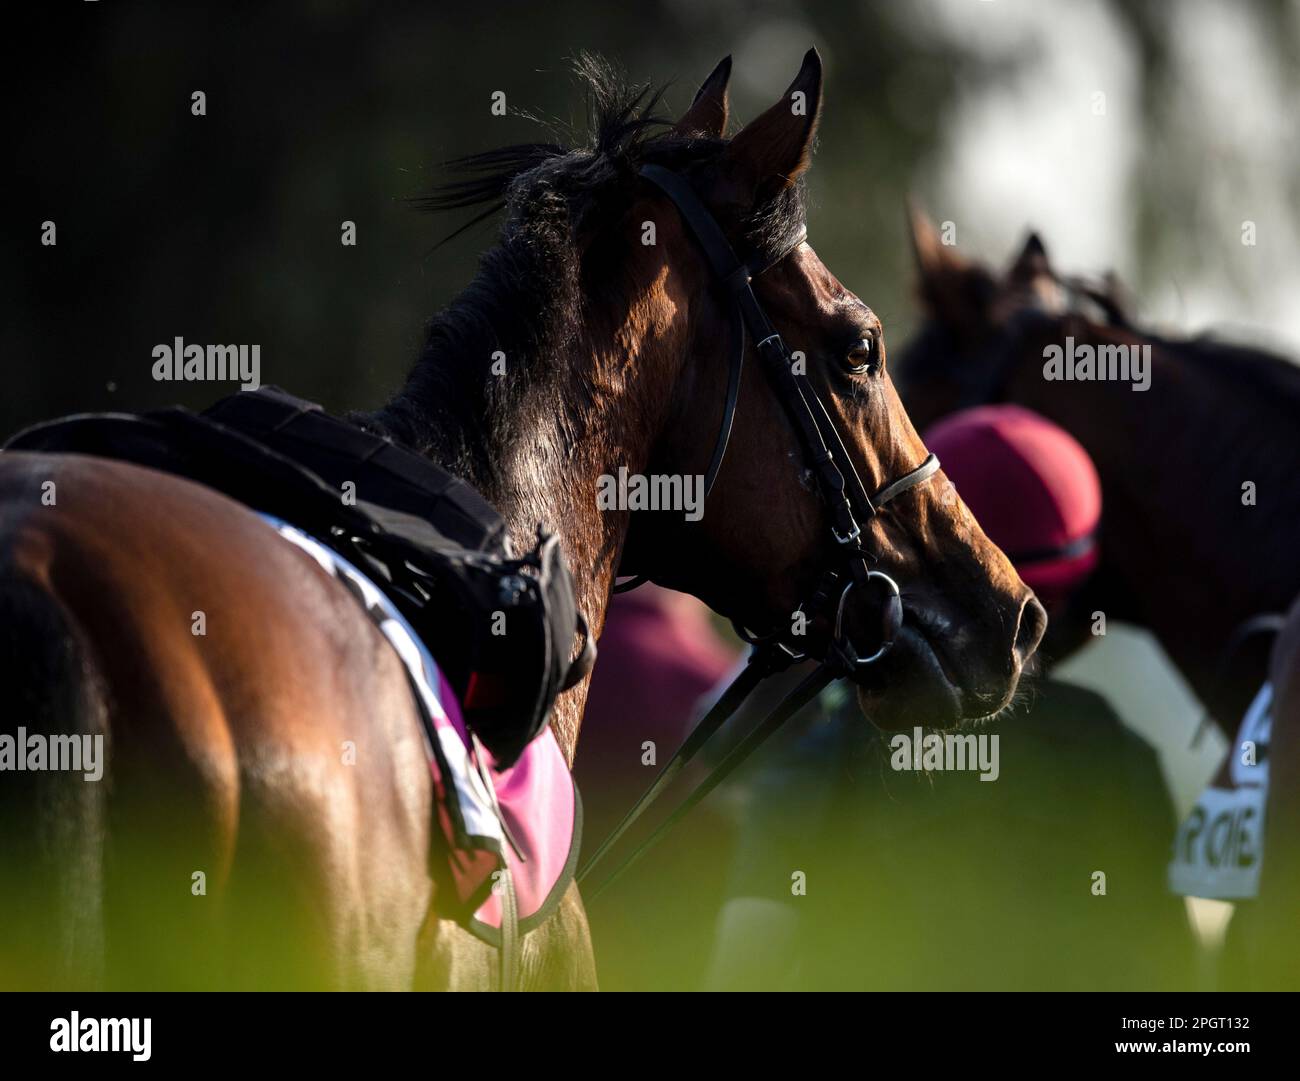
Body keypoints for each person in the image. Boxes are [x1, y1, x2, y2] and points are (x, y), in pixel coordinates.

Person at [705, 404, 1197, 990]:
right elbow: (1177, 985)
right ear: (1069, 590)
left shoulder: (825, 760)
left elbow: (740, 972)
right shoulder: (1120, 753)